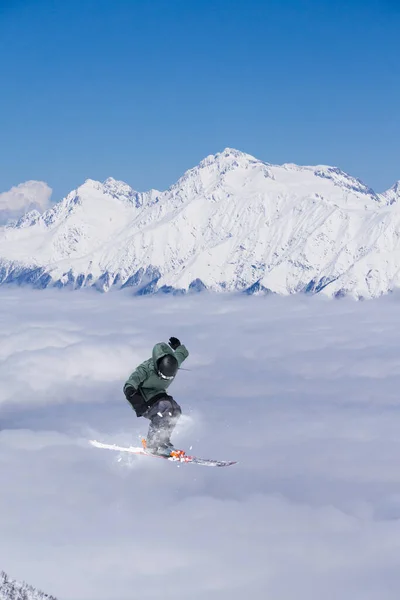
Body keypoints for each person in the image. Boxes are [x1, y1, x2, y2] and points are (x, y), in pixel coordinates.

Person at [123, 337, 189, 455]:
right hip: (140, 397)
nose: (165, 379)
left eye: (168, 377)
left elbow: (182, 354)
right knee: (164, 409)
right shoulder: (146, 369)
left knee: (176, 410)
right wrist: (130, 390)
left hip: (158, 393)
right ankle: (152, 444)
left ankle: (163, 441)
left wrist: (178, 347)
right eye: (163, 376)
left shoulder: (174, 362)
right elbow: (132, 381)